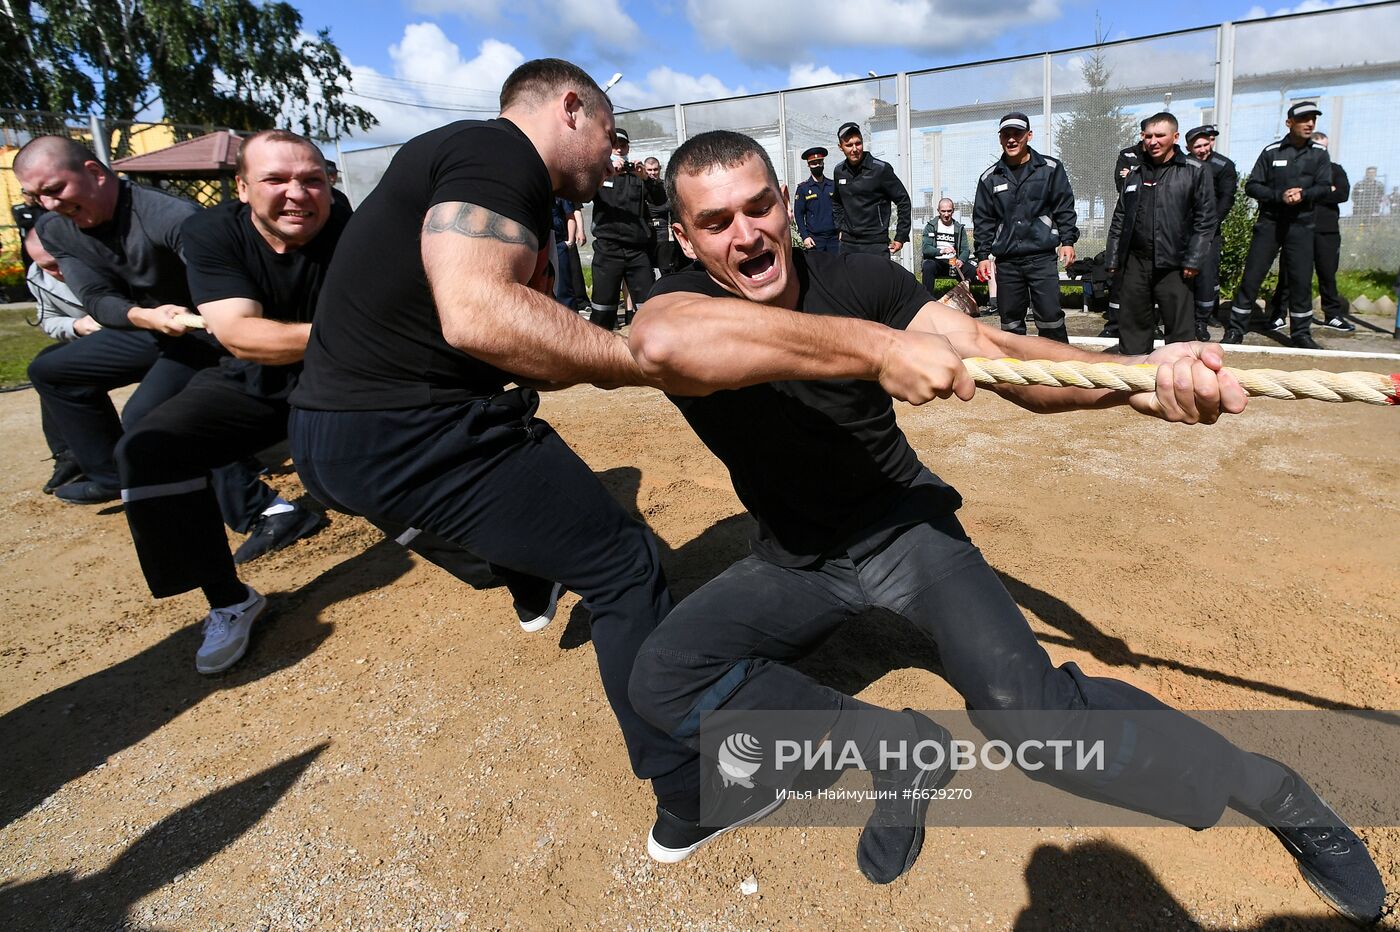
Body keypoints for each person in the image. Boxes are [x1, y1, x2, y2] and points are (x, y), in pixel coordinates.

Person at [624, 130, 1386, 924]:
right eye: (717, 223)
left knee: (1039, 731)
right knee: (663, 677)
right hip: (797, 560)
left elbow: (1001, 356)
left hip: (905, 535)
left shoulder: (859, 276)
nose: (746, 234)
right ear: (683, 237)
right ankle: (897, 750)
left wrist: (1132, 384)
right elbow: (665, 340)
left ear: (785, 204)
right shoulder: (674, 304)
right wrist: (876, 349)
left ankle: (1278, 793)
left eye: (759, 206)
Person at [287, 58, 704, 852]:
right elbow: (478, 314)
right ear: (572, 109)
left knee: (521, 494)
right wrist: (632, 361)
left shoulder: (460, 158)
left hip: (327, 439)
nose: (614, 160)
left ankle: (526, 577)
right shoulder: (500, 154)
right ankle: (688, 794)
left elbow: (495, 337)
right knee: (625, 566)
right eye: (612, 140)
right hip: (414, 431)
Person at [110, 130, 343, 675]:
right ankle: (228, 600)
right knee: (148, 447)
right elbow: (242, 335)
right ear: (241, 187)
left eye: (312, 180)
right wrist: (348, 330)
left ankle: (492, 542)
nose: (297, 194)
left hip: (347, 375)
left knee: (357, 469)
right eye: (276, 180)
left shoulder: (353, 228)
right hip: (256, 374)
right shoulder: (211, 232)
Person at [16, 137, 283, 544]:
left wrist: (199, 318)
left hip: (208, 328)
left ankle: (268, 510)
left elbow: (231, 287)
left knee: (150, 414)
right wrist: (144, 316)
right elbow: (95, 297)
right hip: (153, 324)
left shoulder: (171, 216)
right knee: (54, 368)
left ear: (93, 172)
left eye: (55, 190)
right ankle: (116, 476)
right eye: (34, 196)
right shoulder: (55, 229)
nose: (48, 204)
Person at [1105, 113, 1215, 355]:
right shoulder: (1135, 174)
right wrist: (1113, 258)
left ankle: (1177, 380)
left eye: (1160, 136)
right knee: (1133, 326)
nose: (1153, 141)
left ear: (1175, 137)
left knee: (1179, 332)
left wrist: (1194, 259)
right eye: (1148, 136)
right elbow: (1120, 217)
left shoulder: (1195, 171)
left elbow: (1205, 221)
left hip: (1176, 264)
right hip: (1136, 262)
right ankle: (1135, 381)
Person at [1225, 101, 1331, 350]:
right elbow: (1252, 185)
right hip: (1270, 223)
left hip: (1302, 225)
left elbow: (1326, 187)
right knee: (1252, 276)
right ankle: (1235, 329)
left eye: (1313, 119)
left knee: (1300, 280)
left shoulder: (1319, 153)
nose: (1310, 124)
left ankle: (1301, 334)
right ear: (1289, 123)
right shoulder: (1272, 152)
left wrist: (1303, 194)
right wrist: (1279, 195)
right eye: (1304, 119)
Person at [972, 112, 1078, 343]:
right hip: (1008, 262)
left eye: (1017, 134)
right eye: (1006, 135)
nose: (1011, 139)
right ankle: (1016, 376)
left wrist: (1067, 241)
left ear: (1028, 136)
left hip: (1042, 258)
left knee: (1050, 318)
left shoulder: (1050, 168)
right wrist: (982, 255)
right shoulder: (990, 178)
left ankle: (1061, 371)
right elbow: (983, 220)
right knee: (1010, 323)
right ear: (1000, 139)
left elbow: (1064, 207)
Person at [24, 229, 95, 493]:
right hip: (90, 337)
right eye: (49, 266)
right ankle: (69, 453)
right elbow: (48, 319)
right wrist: (77, 325)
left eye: (61, 261)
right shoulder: (38, 276)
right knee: (47, 363)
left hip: (132, 332)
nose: (59, 271)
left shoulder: (99, 258)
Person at [1269, 132, 1354, 334]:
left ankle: (1332, 315)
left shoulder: (1335, 169)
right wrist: (1323, 191)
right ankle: (1278, 314)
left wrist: (1309, 193)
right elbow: (1289, 193)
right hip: (1297, 228)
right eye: (1316, 145)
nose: (1320, 150)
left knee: (1327, 273)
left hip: (1326, 231)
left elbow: (1342, 193)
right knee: (1288, 273)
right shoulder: (1298, 169)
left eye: (1324, 146)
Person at [587, 126, 666, 330]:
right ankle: (598, 356)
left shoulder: (638, 176)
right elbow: (583, 193)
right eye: (615, 145)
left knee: (649, 308)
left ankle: (650, 354)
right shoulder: (600, 173)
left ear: (628, 147)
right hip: (608, 249)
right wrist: (605, 173)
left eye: (623, 145)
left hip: (637, 250)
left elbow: (660, 199)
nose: (619, 149)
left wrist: (646, 179)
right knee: (602, 309)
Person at [1185, 124, 1238, 339]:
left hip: (1208, 230)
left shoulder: (1223, 165)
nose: (1203, 149)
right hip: (1183, 230)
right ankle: (1184, 317)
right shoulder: (1184, 165)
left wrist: (1209, 226)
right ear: (1188, 147)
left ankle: (1201, 321)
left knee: (1206, 276)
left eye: (1206, 144)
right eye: (1198, 146)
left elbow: (1226, 198)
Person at [832, 122, 910, 256]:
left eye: (858, 143)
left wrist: (900, 236)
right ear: (840, 147)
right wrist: (840, 228)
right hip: (848, 244)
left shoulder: (880, 169)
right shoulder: (839, 171)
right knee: (848, 278)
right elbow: (836, 202)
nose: (855, 149)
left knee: (879, 278)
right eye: (849, 145)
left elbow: (903, 201)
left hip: (875, 244)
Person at [919, 197, 971, 296]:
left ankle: (962, 297)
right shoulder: (931, 226)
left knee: (971, 270)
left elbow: (965, 249)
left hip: (953, 262)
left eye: (949, 211)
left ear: (953, 211)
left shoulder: (959, 228)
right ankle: (927, 299)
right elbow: (926, 249)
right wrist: (942, 251)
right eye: (943, 211)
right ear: (938, 211)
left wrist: (961, 260)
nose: (946, 214)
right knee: (928, 266)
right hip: (936, 261)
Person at [793, 146, 838, 254]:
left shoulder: (832, 186)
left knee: (836, 269)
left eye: (819, 162)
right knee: (817, 270)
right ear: (808, 165)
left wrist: (842, 231)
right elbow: (798, 214)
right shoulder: (803, 188)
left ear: (823, 163)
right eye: (813, 163)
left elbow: (840, 210)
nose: (817, 165)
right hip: (815, 240)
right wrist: (805, 237)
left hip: (834, 239)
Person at [644, 157, 680, 275]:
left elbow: (670, 206)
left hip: (664, 235)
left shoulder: (666, 186)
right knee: (646, 273)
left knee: (667, 270)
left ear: (660, 169)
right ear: (644, 170)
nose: (652, 173)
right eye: (649, 170)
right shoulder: (640, 187)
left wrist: (654, 209)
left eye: (655, 170)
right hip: (645, 235)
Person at [12, 191, 46, 270]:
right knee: (29, 267)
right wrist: (37, 222)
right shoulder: (18, 208)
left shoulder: (43, 208)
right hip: (27, 242)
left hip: (43, 242)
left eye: (33, 195)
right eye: (28, 195)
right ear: (23, 195)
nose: (31, 197)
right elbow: (21, 223)